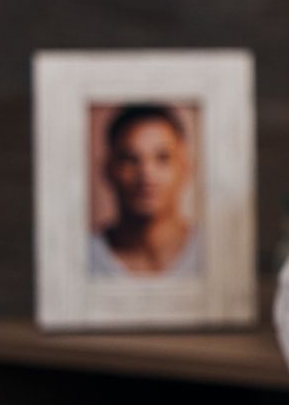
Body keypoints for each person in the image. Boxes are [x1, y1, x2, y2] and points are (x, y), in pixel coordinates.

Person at [87, 103, 203, 278]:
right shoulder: (82, 257)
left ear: (185, 168)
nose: (146, 175)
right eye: (130, 159)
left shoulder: (215, 252)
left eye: (163, 158)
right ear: (109, 169)